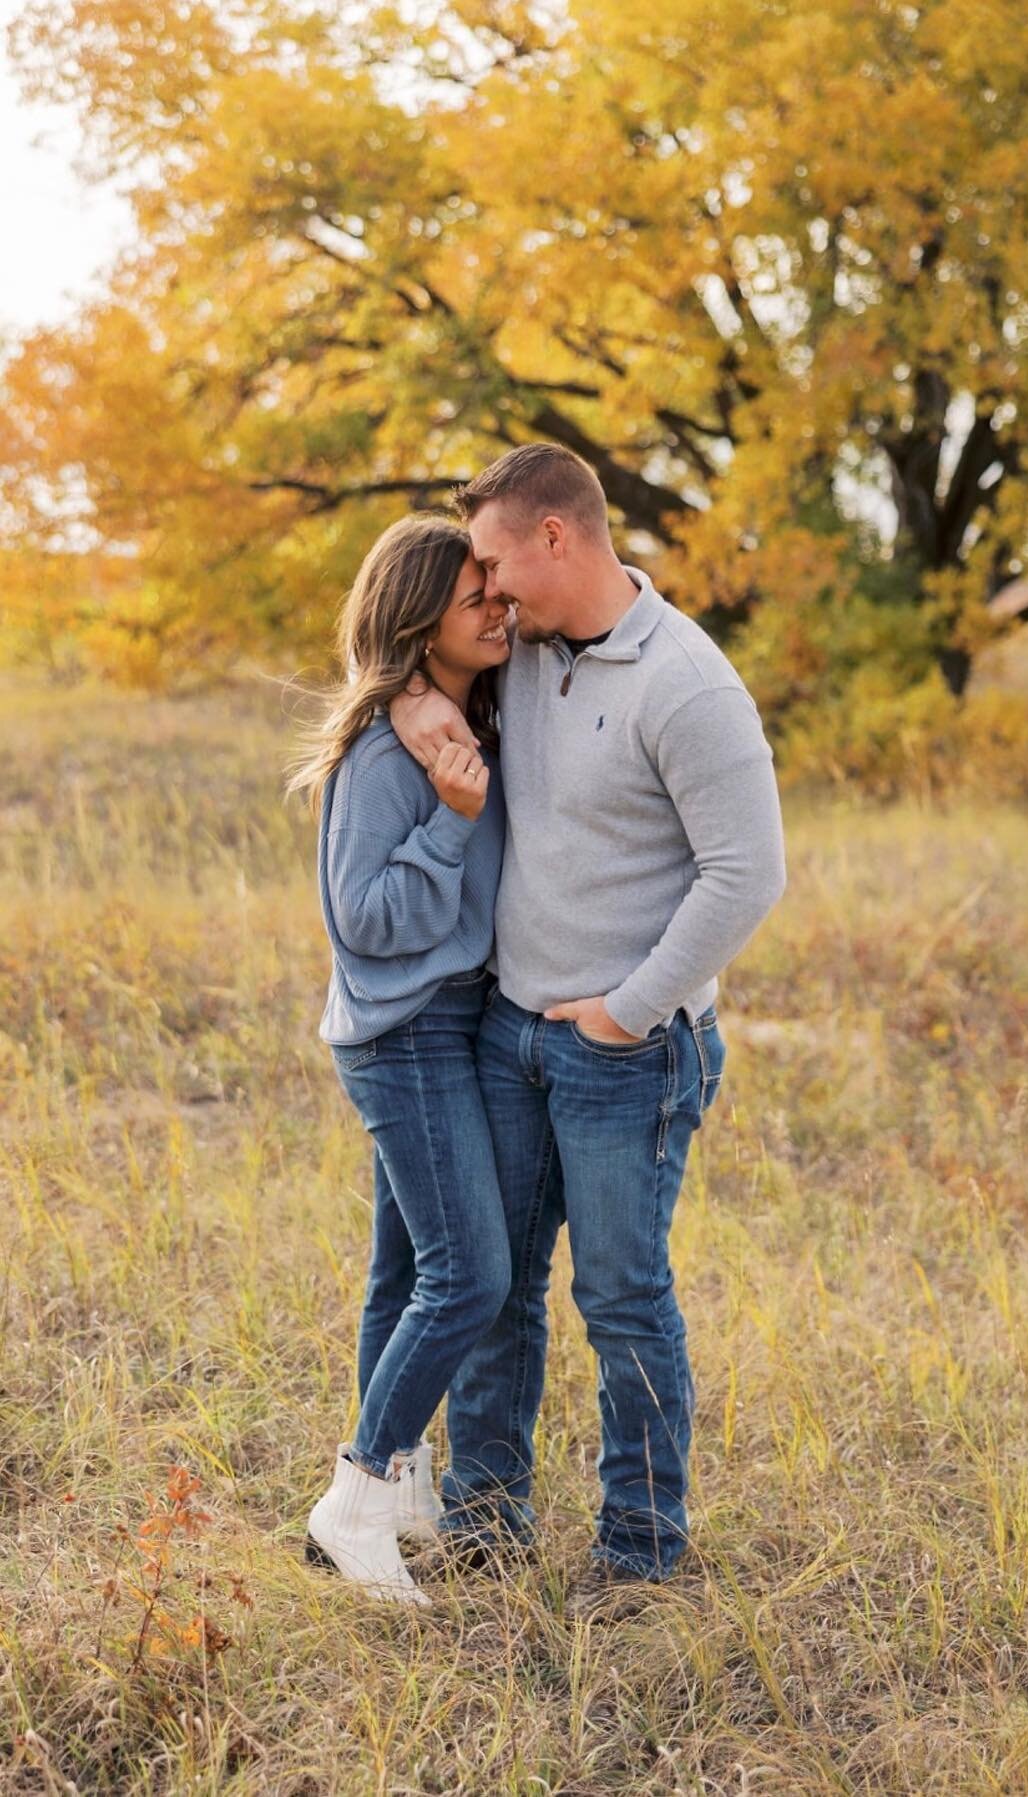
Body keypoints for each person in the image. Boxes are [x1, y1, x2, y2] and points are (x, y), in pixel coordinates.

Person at [388, 443, 787, 1611]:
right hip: (507, 1034)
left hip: (627, 1052)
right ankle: (486, 1522)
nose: (490, 589)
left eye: (500, 561)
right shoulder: (523, 655)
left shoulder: (689, 685)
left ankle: (640, 1550)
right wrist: (416, 705)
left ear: (557, 537)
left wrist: (627, 1010)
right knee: (497, 1288)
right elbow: (396, 652)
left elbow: (748, 873)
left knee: (618, 1299)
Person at [287, 513, 513, 1605]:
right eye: (477, 597)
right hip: (405, 1032)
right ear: (423, 619)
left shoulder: (467, 717)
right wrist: (453, 821)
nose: (498, 607)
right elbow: (363, 918)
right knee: (472, 1273)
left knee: (406, 1272)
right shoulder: (385, 755)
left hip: (451, 1021)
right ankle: (358, 1496)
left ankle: (404, 1481)